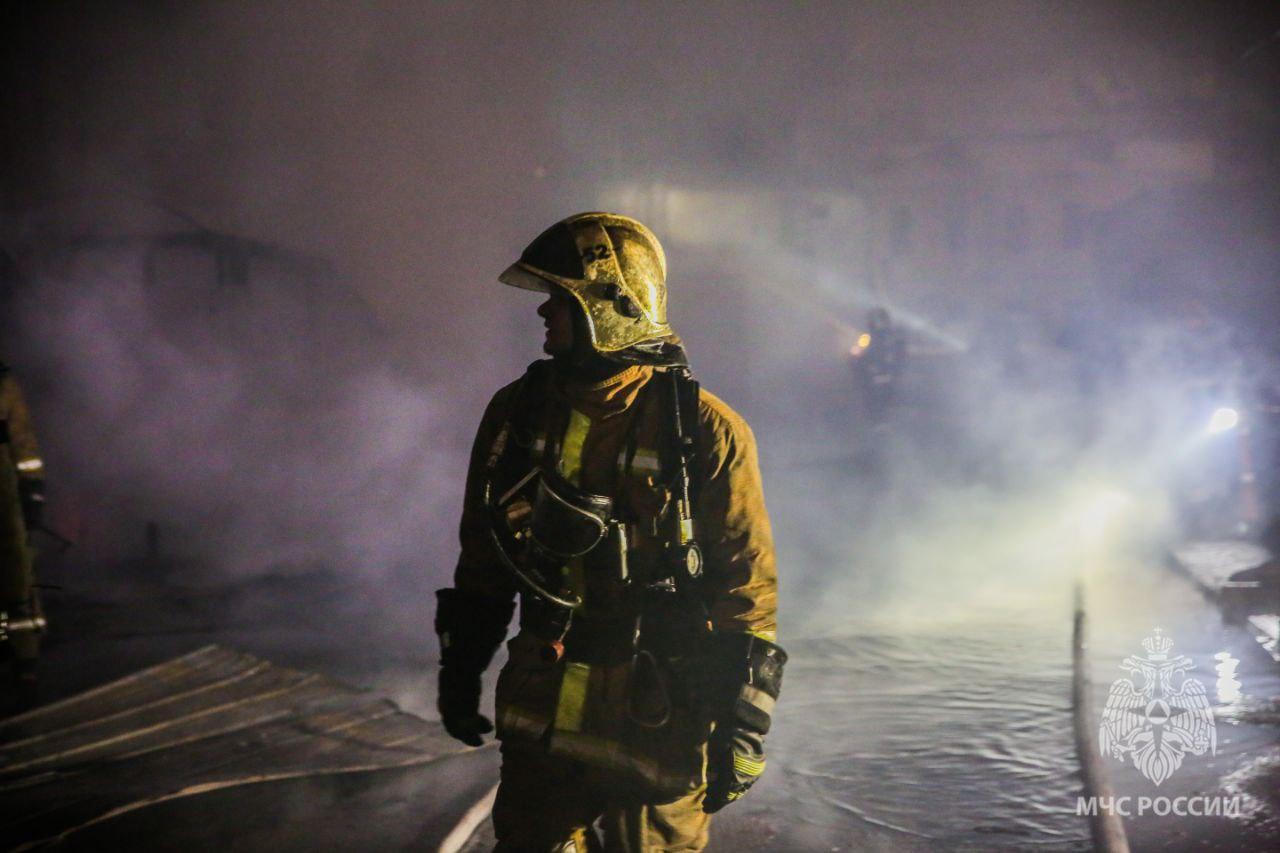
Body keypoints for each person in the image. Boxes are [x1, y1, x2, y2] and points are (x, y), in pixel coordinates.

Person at [434, 212, 784, 851]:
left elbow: (746, 587)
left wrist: (743, 726)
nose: (543, 313)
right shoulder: (516, 414)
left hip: (655, 710)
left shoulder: (705, 430)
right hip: (543, 701)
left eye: (560, 299)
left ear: (610, 307)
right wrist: (461, 666)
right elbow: (484, 553)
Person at [1, 359, 46, 707]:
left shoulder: (3, 382)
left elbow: (22, 436)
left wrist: (32, 488)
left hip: (3, 490)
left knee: (15, 572)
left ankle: (25, 659)